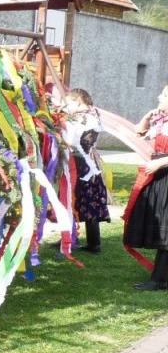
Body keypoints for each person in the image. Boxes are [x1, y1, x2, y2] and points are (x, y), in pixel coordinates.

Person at [124, 84, 168, 290]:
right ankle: (159, 278)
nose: (159, 97)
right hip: (159, 177)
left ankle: (158, 280)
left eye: (164, 95)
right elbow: (138, 132)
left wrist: (160, 163)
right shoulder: (161, 121)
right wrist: (147, 117)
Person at [62, 88, 109, 254]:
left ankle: (93, 244)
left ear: (78, 101)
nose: (66, 107)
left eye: (69, 103)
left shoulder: (85, 118)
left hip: (83, 166)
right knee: (75, 200)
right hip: (82, 164)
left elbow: (71, 141)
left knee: (86, 202)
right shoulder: (90, 115)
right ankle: (71, 238)